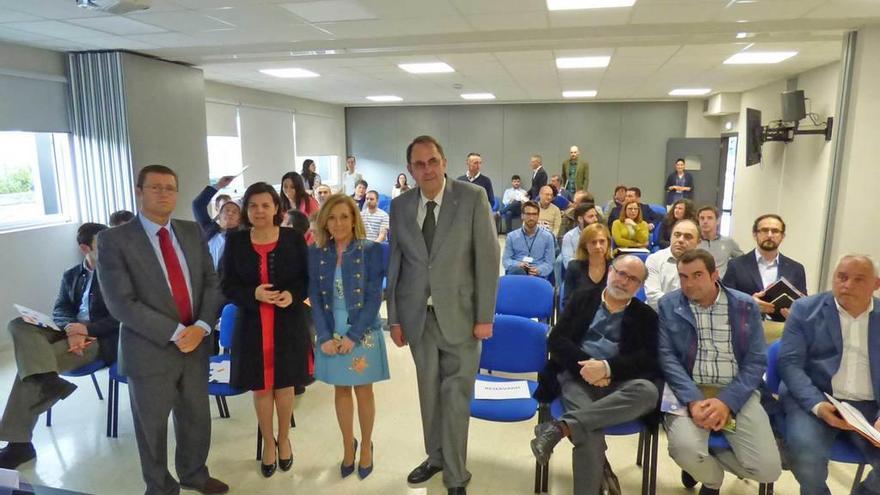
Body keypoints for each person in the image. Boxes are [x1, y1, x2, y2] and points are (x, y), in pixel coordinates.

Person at [97, 164, 228, 495]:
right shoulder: (113, 240)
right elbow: (121, 303)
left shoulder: (191, 230)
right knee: (151, 426)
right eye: (155, 187)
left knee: (196, 418)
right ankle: (159, 487)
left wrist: (200, 326)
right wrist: (175, 332)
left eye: (170, 187)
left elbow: (212, 284)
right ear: (139, 191)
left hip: (196, 344)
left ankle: (194, 474)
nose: (163, 193)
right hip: (149, 349)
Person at [386, 135, 499, 495]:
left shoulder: (471, 198)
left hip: (463, 317)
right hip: (419, 317)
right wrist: (394, 318)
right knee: (428, 394)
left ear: (445, 162)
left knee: (455, 396)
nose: (427, 169)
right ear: (410, 170)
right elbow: (396, 263)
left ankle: (455, 474)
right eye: (419, 164)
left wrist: (485, 316)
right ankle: (435, 457)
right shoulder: (401, 205)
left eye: (433, 161)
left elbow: (487, 258)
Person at [531, 255, 660, 495]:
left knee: (649, 391)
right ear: (611, 271)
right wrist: (587, 367)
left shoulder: (646, 316)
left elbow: (650, 360)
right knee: (590, 436)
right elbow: (557, 340)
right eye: (620, 273)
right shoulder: (583, 299)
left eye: (632, 279)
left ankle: (560, 428)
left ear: (640, 287)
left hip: (619, 385)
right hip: (576, 379)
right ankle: (593, 468)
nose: (623, 281)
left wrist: (608, 369)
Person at [658, 249, 782, 495]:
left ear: (714, 274)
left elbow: (756, 361)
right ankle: (711, 478)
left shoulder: (744, 305)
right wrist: (693, 401)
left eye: (697, 275)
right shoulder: (669, 304)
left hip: (735, 390)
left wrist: (726, 402)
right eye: (683, 277)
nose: (689, 283)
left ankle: (707, 457)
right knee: (683, 450)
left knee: (769, 469)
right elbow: (668, 358)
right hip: (687, 390)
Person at [0, 223, 119, 470]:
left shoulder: (119, 275)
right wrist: (71, 328)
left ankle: (19, 445)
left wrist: (86, 330)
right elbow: (61, 309)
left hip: (98, 339)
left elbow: (122, 316)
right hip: (70, 332)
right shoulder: (72, 274)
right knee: (18, 324)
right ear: (85, 248)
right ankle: (48, 380)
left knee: (30, 370)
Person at [221, 181, 310, 477]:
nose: (259, 211)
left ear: (276, 208)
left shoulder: (293, 238)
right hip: (252, 324)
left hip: (287, 322)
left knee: (284, 385)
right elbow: (227, 285)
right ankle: (268, 444)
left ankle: (284, 439)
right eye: (253, 205)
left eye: (265, 205)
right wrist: (253, 294)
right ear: (247, 209)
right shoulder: (234, 241)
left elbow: (305, 278)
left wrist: (293, 295)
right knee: (261, 386)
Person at [778, 254, 880, 495]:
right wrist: (817, 405)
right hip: (819, 398)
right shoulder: (805, 310)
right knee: (805, 455)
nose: (847, 285)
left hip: (870, 406)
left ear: (876, 284)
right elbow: (790, 364)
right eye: (842, 277)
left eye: (858, 280)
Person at [308, 193, 390, 480]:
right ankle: (347, 445)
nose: (339, 222)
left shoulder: (371, 250)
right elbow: (315, 298)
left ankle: (366, 445)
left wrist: (353, 335)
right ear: (324, 222)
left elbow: (373, 296)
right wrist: (323, 336)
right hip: (330, 329)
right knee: (340, 390)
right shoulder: (316, 253)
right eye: (332, 217)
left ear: (354, 219)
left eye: (344, 216)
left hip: (362, 330)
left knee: (363, 391)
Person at [722, 214, 807, 320]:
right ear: (754, 234)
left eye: (775, 231)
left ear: (782, 236)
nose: (770, 235)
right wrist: (749, 304)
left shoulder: (796, 269)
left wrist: (794, 315)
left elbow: (804, 305)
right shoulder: (736, 265)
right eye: (764, 230)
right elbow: (724, 301)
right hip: (747, 329)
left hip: (783, 330)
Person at [645, 219, 701, 309]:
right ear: (671, 237)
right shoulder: (654, 259)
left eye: (688, 237)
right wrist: (682, 307)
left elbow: (703, 298)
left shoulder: (702, 265)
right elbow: (653, 298)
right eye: (677, 235)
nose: (681, 240)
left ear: (698, 242)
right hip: (658, 315)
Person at [192, 175, 241, 269]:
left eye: (235, 212)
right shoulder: (208, 228)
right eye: (226, 210)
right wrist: (219, 185)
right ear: (219, 215)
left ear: (239, 219)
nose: (230, 213)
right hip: (206, 279)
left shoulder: (243, 238)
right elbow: (197, 205)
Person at [502, 201, 555, 279]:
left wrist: (538, 270)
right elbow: (506, 260)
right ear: (522, 216)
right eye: (528, 214)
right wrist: (518, 264)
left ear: (538, 216)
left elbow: (549, 263)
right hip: (517, 273)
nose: (531, 218)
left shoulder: (547, 237)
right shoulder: (512, 236)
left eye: (534, 214)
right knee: (518, 271)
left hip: (538, 275)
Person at [563, 223, 611, 306]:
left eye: (602, 241)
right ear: (585, 245)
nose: (598, 246)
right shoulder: (574, 267)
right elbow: (567, 302)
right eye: (593, 242)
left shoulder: (616, 267)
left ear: (608, 243)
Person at [697, 206, 742, 278]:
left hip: (721, 285)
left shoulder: (728, 242)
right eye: (702, 218)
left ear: (718, 221)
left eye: (709, 218)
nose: (705, 221)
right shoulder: (693, 242)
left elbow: (743, 260)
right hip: (698, 283)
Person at [560, 203, 602, 268]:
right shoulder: (569, 237)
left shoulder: (602, 234)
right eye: (591, 216)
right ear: (580, 219)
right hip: (578, 272)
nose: (595, 219)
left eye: (595, 216)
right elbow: (568, 263)